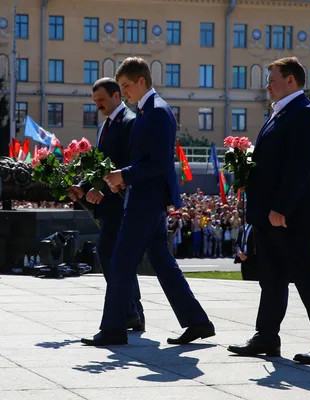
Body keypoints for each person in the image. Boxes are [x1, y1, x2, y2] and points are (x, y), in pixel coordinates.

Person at [81, 57, 215, 346]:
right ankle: (197, 322)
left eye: (126, 86)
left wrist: (124, 175)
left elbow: (158, 164)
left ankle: (114, 328)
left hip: (145, 200)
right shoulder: (148, 111)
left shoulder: (155, 112)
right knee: (162, 263)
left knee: (120, 262)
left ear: (141, 81)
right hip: (147, 199)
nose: (124, 92)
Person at [228, 57, 310, 364]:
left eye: (272, 79)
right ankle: (266, 336)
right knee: (272, 278)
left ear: (291, 80)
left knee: (308, 278)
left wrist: (281, 207)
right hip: (269, 215)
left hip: (291, 216)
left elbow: (300, 167)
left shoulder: (306, 113)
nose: (267, 85)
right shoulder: (280, 113)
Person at [68, 77, 144, 331]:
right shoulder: (104, 127)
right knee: (117, 257)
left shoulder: (131, 123)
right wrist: (84, 186)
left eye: (101, 100)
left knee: (108, 253)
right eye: (95, 101)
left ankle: (129, 310)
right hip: (108, 204)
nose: (97, 106)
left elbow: (127, 166)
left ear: (116, 96)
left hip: (124, 203)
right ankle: (133, 311)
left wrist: (103, 191)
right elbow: (100, 165)